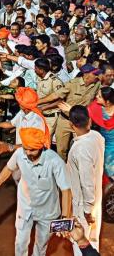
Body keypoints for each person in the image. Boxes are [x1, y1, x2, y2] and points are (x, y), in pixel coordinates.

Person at [0, 127, 72, 256]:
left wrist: (65, 220)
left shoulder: (55, 161)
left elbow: (66, 190)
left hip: (48, 212)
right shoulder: (20, 154)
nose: (28, 153)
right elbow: (8, 168)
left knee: (41, 246)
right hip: (25, 208)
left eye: (32, 150)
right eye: (26, 148)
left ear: (41, 147)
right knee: (20, 243)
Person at [39, 64, 101, 160]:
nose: (98, 76)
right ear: (87, 75)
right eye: (95, 74)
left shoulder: (97, 84)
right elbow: (56, 96)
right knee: (61, 149)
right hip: (65, 121)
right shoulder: (72, 84)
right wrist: (38, 102)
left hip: (81, 122)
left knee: (81, 149)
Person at [67, 105, 104, 255]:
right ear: (89, 121)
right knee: (93, 239)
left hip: (84, 204)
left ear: (71, 125)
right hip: (96, 198)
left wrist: (87, 211)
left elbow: (86, 182)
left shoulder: (80, 149)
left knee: (80, 241)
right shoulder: (96, 136)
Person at [87, 87, 114, 176]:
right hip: (104, 145)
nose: (96, 97)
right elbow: (83, 113)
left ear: (107, 102)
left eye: (99, 96)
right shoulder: (95, 107)